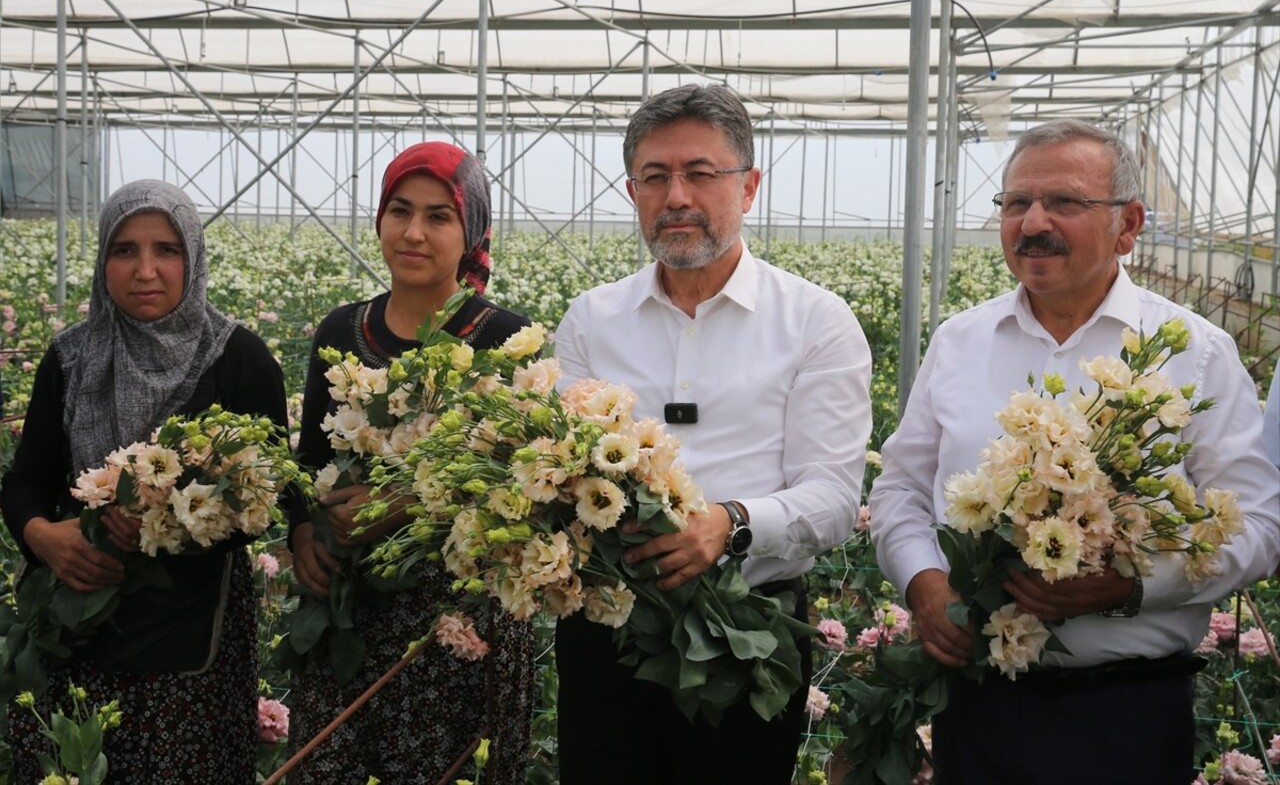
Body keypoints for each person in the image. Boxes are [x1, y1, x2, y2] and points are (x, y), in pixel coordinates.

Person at [870, 119, 1280, 784]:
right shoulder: (960, 341)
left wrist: (1133, 587)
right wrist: (925, 584)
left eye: (1063, 202)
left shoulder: (1194, 352)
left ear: (1129, 223)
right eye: (1015, 203)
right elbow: (900, 491)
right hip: (977, 705)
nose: (1033, 222)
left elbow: (1260, 528)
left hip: (1129, 713)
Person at [553, 83, 873, 784]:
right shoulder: (592, 320)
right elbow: (559, 469)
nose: (676, 196)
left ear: (748, 186)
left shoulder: (814, 322)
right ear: (632, 188)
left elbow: (834, 494)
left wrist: (729, 524)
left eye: (701, 173)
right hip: (608, 630)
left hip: (747, 633)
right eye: (655, 176)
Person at [2, 179, 297, 782]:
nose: (145, 270)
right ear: (102, 261)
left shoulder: (239, 360)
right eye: (123, 250)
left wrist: (171, 527)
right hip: (77, 616)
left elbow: (268, 497)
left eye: (167, 249)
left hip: (191, 631)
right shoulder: (70, 358)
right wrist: (41, 535)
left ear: (193, 257)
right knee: (77, 763)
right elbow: (26, 478)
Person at [287, 141, 535, 784]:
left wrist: (407, 505)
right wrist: (305, 532)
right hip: (348, 610)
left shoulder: (504, 337)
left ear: (471, 230)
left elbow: (525, 482)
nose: (414, 232)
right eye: (399, 211)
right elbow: (309, 463)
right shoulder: (342, 331)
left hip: (456, 623)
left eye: (438, 216)